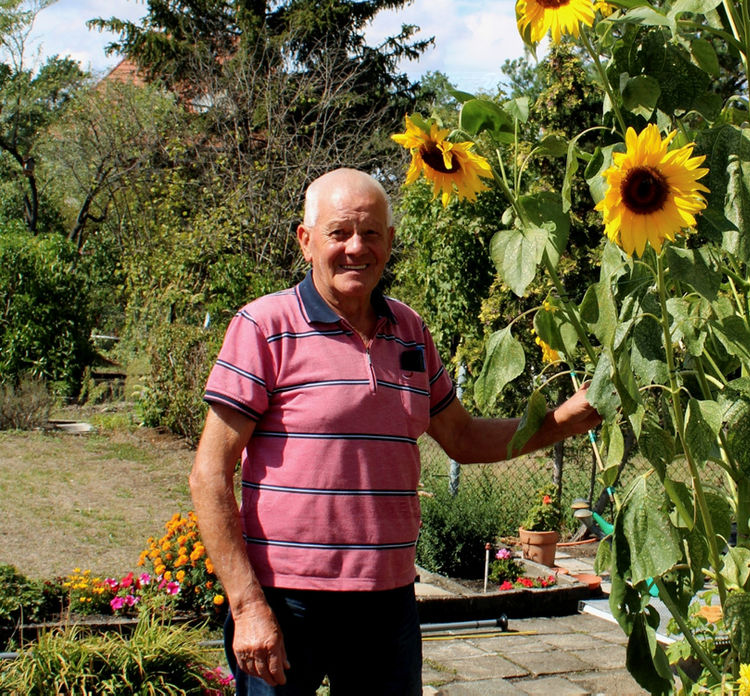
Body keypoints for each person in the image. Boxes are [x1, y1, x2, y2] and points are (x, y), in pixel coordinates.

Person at [189, 168, 601, 695]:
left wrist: (562, 420)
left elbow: (463, 438)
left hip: (387, 605)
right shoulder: (264, 327)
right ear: (305, 240)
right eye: (339, 232)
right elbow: (209, 474)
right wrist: (247, 606)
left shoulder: (410, 330)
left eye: (372, 233)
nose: (356, 247)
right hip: (287, 601)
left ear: (389, 241)